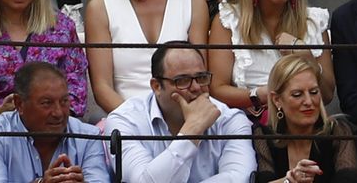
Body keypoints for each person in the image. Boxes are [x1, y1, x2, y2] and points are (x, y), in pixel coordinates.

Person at [208, 0, 334, 116]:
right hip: (248, 121)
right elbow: (217, 90)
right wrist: (260, 95)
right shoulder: (229, 20)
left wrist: (307, 58)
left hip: (303, 121)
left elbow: (328, 95)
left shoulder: (313, 21)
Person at [103, 41, 255, 182]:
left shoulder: (230, 119)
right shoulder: (124, 121)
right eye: (182, 80)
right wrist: (193, 129)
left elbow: (239, 177)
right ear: (156, 86)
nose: (196, 87)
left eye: (201, 78)